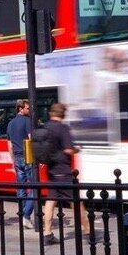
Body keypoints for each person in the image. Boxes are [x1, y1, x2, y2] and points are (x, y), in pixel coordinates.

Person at [40, 103, 90, 245]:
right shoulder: (62, 128)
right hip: (63, 171)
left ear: (51, 113)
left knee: (50, 202)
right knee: (77, 203)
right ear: (63, 114)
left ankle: (47, 234)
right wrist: (77, 149)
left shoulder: (45, 127)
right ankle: (88, 232)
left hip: (51, 171)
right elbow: (69, 150)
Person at [6, 99, 35, 229]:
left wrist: (13, 159)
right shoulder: (28, 121)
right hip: (28, 157)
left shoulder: (10, 124)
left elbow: (9, 145)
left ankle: (23, 215)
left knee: (21, 188)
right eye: (28, 108)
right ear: (20, 109)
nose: (30, 111)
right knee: (35, 188)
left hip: (17, 158)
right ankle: (26, 216)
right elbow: (31, 139)